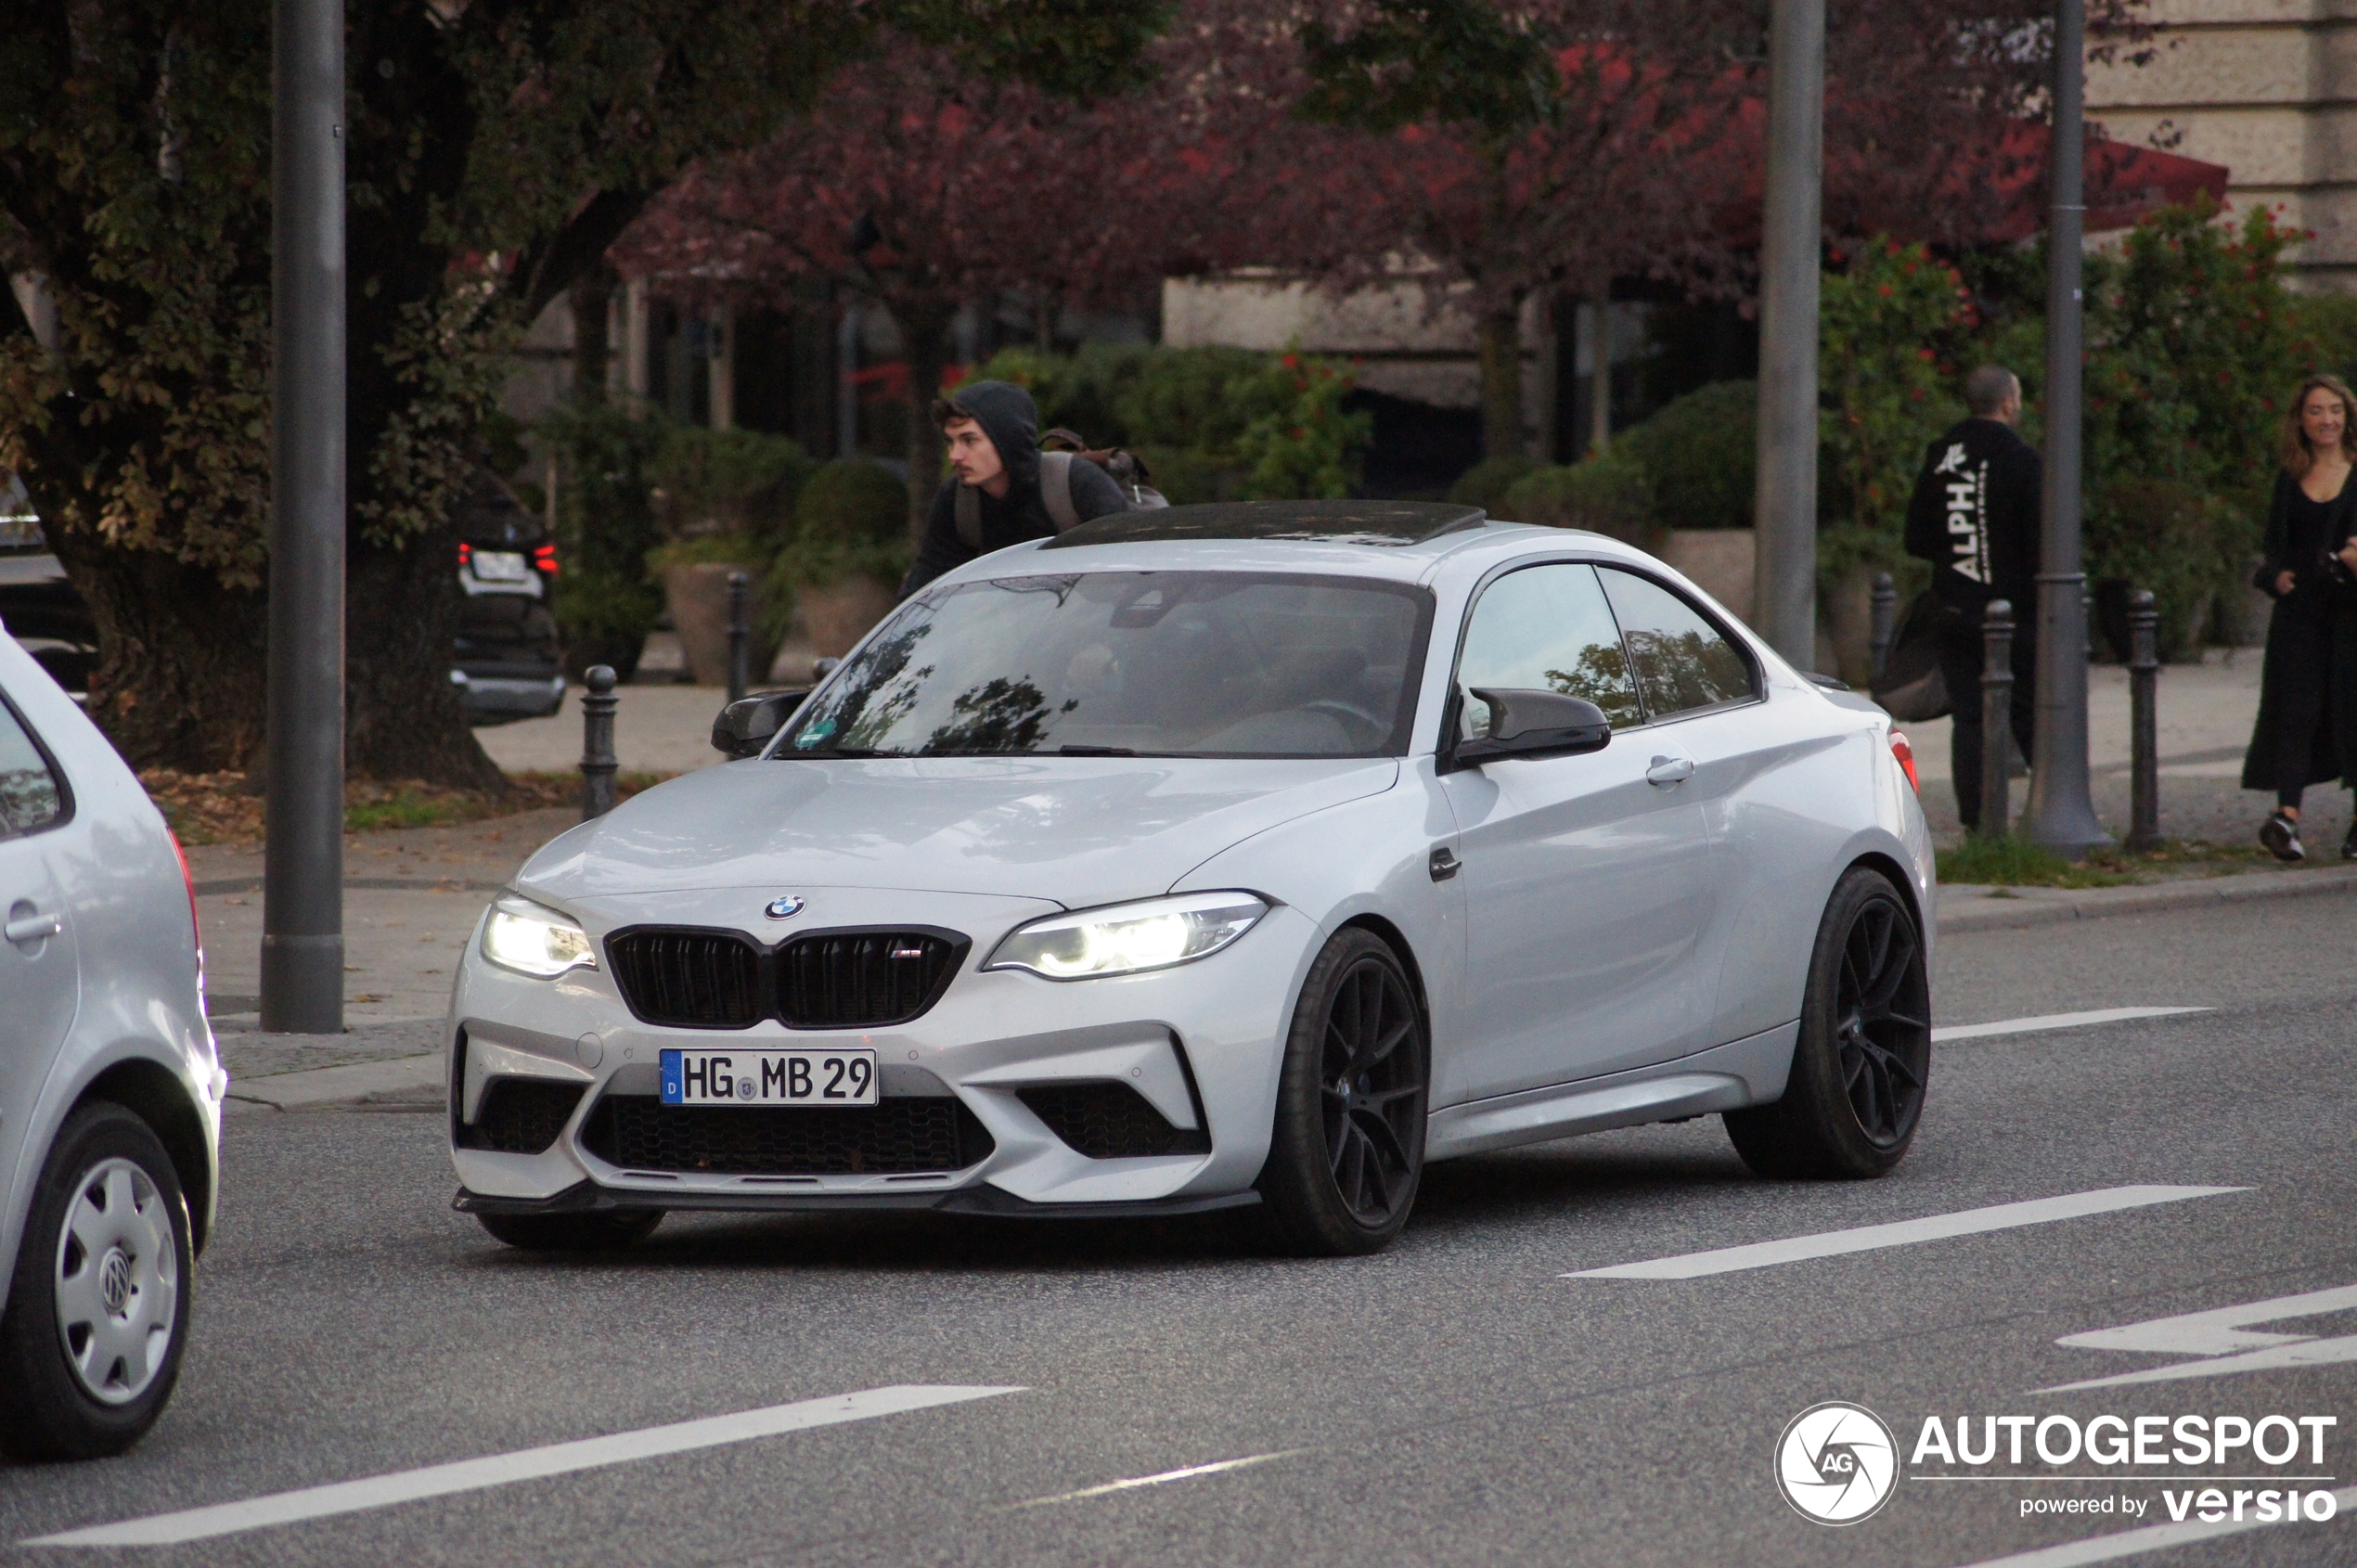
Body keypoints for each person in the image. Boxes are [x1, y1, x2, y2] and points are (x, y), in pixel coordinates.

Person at [1903, 364, 2041, 830]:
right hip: (2011, 614)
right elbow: (2041, 545)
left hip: (1954, 608)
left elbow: (1916, 538)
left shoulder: (1943, 455)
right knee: (2029, 713)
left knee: (1970, 718)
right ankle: (2045, 812)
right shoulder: (2021, 461)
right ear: (2008, 402)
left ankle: (1977, 823)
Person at [2238, 373, 2357, 861]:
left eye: (2334, 409)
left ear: (2347, 416)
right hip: (2301, 612)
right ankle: (2287, 817)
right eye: (2315, 411)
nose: (2326, 419)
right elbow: (2272, 549)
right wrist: (2274, 578)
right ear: (2301, 421)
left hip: (2352, 612)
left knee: (2353, 710)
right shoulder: (2291, 477)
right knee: (2295, 710)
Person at [898, 379, 1128, 598]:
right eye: (951, 441)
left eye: (969, 441)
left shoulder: (1076, 482)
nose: (955, 456)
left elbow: (1131, 568)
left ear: (1007, 439)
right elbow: (926, 587)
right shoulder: (957, 499)